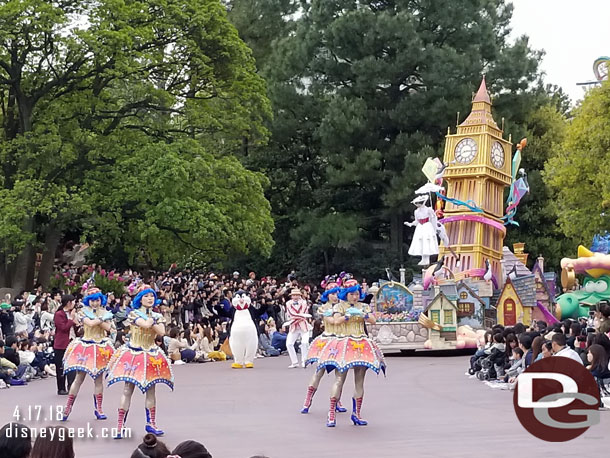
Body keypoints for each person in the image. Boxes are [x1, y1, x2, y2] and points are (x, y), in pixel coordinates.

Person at [106, 284, 174, 437]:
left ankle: (151, 423)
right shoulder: (134, 314)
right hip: (134, 353)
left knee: (151, 389)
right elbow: (145, 324)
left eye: (152, 296)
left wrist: (151, 321)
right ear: (139, 299)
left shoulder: (157, 315)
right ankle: (120, 425)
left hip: (150, 353)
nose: (150, 299)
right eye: (146, 296)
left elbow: (162, 332)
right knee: (127, 389)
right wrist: (151, 321)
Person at [318, 278, 386, 427]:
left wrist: (364, 315)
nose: (355, 297)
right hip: (345, 343)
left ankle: (357, 414)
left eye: (356, 293)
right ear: (346, 294)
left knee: (360, 380)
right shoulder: (340, 306)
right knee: (339, 379)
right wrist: (347, 316)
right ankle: (331, 412)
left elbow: (373, 321)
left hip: (361, 343)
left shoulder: (363, 306)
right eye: (351, 294)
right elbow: (335, 321)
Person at [61, 287, 115, 421]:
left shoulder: (105, 312)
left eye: (96, 300)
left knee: (98, 379)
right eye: (92, 301)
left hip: (101, 346)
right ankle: (68, 407)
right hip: (86, 346)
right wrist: (102, 319)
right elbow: (89, 323)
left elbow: (110, 329)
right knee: (79, 377)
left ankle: (99, 408)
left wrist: (101, 319)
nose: (94, 303)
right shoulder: (83, 312)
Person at [301, 277, 346, 414]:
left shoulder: (343, 307)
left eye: (337, 293)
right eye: (332, 293)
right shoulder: (323, 308)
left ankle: (337, 400)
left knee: (341, 374)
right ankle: (308, 399)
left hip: (340, 340)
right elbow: (331, 321)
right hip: (327, 341)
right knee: (319, 371)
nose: (335, 296)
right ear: (327, 295)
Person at [404, 194, 438, 266]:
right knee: (421, 242)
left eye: (418, 204)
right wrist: (410, 224)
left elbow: (433, 218)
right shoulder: (416, 211)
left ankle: (427, 259)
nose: (417, 205)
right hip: (420, 227)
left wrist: (433, 215)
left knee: (426, 241)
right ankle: (423, 259)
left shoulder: (428, 209)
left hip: (427, 226)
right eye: (416, 204)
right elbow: (416, 221)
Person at [53, 294, 77, 395]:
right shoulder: (59, 314)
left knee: (72, 365)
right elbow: (63, 328)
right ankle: (61, 388)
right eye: (73, 301)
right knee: (60, 367)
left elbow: (74, 327)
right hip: (61, 344)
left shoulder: (73, 313)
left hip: (72, 341)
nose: (75, 304)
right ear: (68, 303)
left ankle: (71, 385)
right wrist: (71, 319)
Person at [285, 288, 312, 368]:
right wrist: (300, 317)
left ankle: (304, 361)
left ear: (300, 296)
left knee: (304, 343)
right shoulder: (288, 303)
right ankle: (294, 362)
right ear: (291, 296)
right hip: (294, 326)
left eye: (297, 295)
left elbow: (304, 312)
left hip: (303, 325)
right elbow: (291, 313)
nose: (295, 297)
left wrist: (297, 317)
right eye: (294, 295)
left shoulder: (304, 302)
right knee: (289, 344)